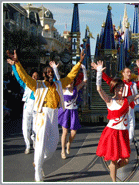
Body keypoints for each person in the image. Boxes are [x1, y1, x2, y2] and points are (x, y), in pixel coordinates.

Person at [6, 49, 85, 182]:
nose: (49, 74)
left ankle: (38, 162)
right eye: (47, 72)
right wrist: (17, 63)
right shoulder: (38, 84)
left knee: (53, 146)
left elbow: (71, 76)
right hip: (42, 116)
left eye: (51, 72)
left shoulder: (59, 84)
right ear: (44, 74)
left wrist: (79, 63)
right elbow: (24, 77)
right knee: (41, 144)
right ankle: (37, 172)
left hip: (54, 115)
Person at [93, 61, 139, 182]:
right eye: (117, 87)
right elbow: (98, 88)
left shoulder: (127, 99)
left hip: (123, 132)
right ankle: (114, 181)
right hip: (112, 132)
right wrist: (98, 73)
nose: (120, 89)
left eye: (121, 87)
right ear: (114, 88)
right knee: (114, 159)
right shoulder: (109, 100)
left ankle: (113, 168)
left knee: (126, 160)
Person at [93, 60, 139, 143]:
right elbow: (108, 81)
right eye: (127, 72)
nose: (129, 74)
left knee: (131, 125)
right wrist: (100, 72)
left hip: (130, 107)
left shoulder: (133, 84)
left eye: (130, 72)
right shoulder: (118, 84)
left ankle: (129, 141)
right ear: (123, 73)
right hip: (119, 108)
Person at [55, 62, 88, 160]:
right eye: (69, 81)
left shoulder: (76, 89)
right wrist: (55, 69)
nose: (71, 83)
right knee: (64, 132)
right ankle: (62, 151)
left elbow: (85, 80)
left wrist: (84, 69)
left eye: (72, 81)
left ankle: (69, 143)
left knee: (73, 132)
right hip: (65, 112)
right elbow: (58, 80)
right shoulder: (63, 89)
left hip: (73, 112)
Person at [7, 59, 39, 154]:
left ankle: (35, 142)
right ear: (31, 76)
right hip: (27, 108)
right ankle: (27, 146)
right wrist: (13, 66)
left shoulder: (40, 86)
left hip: (36, 109)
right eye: (33, 76)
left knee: (35, 127)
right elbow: (19, 77)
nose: (35, 78)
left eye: (36, 76)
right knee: (25, 128)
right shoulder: (26, 84)